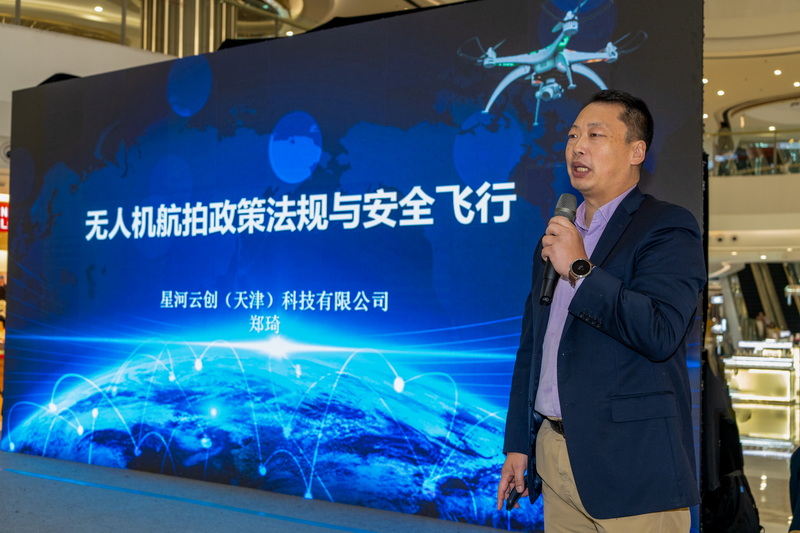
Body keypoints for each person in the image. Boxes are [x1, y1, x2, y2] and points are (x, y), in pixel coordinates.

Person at [496, 89, 707, 532]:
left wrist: (580, 269)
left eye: (595, 135)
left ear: (636, 151)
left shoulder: (667, 226)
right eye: (573, 135)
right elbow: (534, 347)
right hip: (555, 454)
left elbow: (660, 332)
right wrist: (518, 442)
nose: (578, 147)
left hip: (633, 465)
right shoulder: (556, 236)